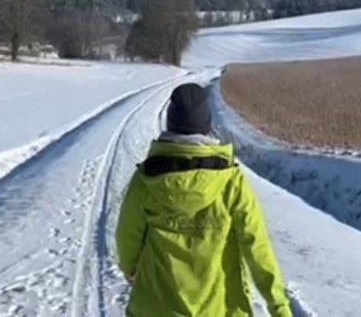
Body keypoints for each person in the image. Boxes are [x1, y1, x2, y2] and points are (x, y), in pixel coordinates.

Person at [115, 82, 292, 317]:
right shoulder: (230, 180)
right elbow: (256, 246)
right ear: (206, 124)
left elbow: (127, 237)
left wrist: (131, 270)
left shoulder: (146, 178)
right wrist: (278, 306)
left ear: (170, 122)